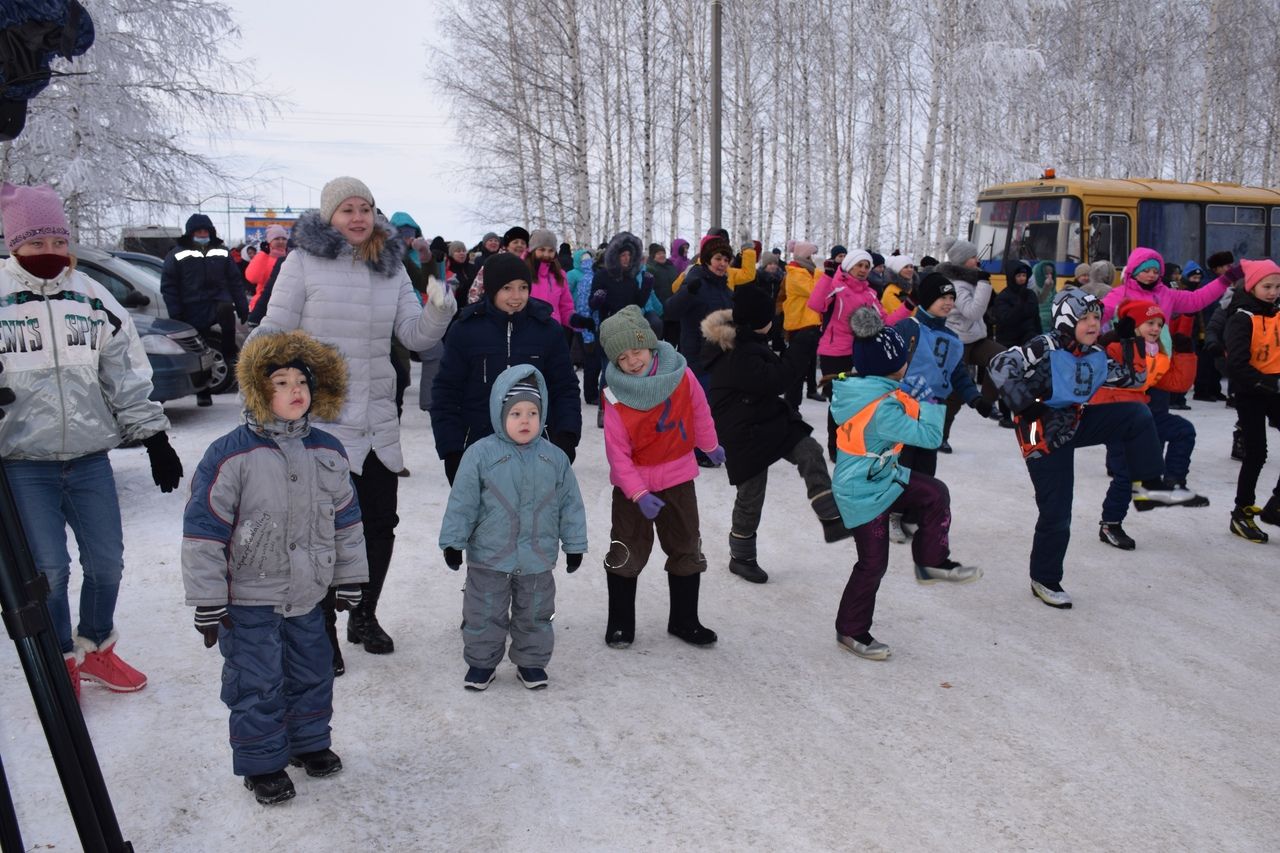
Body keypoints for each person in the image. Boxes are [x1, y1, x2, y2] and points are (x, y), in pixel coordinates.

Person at [252, 176, 455, 661]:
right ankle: (320, 624)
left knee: (380, 524)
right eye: (347, 210)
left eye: (365, 208)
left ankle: (364, 614)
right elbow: (274, 330)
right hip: (320, 421)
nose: (358, 217)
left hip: (377, 418)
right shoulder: (302, 262)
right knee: (321, 529)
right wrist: (258, 387)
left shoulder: (392, 268)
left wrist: (438, 309)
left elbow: (414, 336)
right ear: (329, 217)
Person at [0, 182, 183, 699]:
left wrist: (153, 438)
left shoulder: (91, 296)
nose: (49, 254)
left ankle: (98, 647)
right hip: (21, 462)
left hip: (88, 459)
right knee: (49, 571)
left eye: (58, 242)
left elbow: (124, 371)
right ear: (14, 243)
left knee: (107, 563)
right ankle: (61, 658)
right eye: (36, 244)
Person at [182, 330, 366, 805]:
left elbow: (346, 520)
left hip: (306, 593)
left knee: (312, 670)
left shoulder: (328, 450)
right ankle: (262, 762)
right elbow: (205, 530)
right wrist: (208, 598)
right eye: (280, 382)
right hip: (248, 598)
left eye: (301, 381)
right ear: (258, 392)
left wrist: (349, 577)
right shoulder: (231, 454)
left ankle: (308, 743)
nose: (294, 391)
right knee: (256, 680)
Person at [989, 291, 1206, 609]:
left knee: (1136, 414)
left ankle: (1148, 485)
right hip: (1041, 432)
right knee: (1057, 511)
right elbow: (999, 365)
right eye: (1085, 318)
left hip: (1074, 423)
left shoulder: (1094, 353)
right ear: (1067, 320)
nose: (1093, 324)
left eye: (1096, 318)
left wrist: (1129, 341)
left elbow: (1135, 380)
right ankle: (1045, 578)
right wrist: (1024, 403)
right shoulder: (1045, 345)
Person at [830, 308, 980, 661]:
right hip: (863, 491)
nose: (908, 364)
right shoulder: (881, 406)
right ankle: (851, 629)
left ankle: (931, 561)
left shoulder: (868, 389)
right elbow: (929, 436)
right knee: (872, 563)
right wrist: (927, 402)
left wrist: (911, 398)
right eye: (904, 358)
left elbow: (900, 409)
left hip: (880, 476)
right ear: (891, 365)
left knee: (934, 492)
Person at [439, 366, 587, 690]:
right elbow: (462, 502)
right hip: (490, 556)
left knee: (535, 614)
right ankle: (481, 663)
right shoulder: (480, 454)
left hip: (536, 557)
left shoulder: (555, 459)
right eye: (516, 412)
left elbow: (570, 505)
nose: (525, 420)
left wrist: (574, 544)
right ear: (499, 413)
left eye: (533, 412)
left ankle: (531, 662)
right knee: (483, 612)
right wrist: (454, 542)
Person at [702, 286, 852, 585]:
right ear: (762, 321)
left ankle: (830, 516)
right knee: (751, 495)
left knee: (808, 449)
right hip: (743, 433)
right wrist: (800, 348)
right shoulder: (737, 352)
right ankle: (741, 556)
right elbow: (776, 380)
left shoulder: (749, 339)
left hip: (766, 419)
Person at [597, 306, 723, 648]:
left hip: (678, 479)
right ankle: (621, 623)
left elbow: (698, 410)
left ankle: (685, 620)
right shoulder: (614, 395)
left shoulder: (680, 374)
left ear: (650, 346)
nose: (632, 361)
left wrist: (710, 444)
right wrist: (637, 493)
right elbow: (616, 453)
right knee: (626, 550)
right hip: (633, 489)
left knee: (686, 547)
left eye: (636, 351)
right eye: (622, 358)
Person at [431, 252, 582, 482]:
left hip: (538, 451)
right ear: (491, 289)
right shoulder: (465, 331)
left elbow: (565, 387)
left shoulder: (547, 330)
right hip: (478, 451)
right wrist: (452, 450)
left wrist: (565, 436)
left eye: (523, 287)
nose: (516, 296)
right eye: (507, 288)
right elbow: (446, 393)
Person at [1091, 300, 1206, 550]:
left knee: (1183, 431)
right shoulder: (1117, 346)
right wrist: (1117, 337)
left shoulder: (1157, 351)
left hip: (1140, 414)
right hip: (1115, 415)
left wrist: (1185, 353)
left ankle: (1171, 482)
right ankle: (1110, 524)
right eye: (1149, 323)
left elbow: (1175, 384)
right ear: (1134, 326)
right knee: (1125, 474)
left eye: (1159, 324)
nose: (1155, 328)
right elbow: (1100, 359)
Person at [889, 273, 994, 541]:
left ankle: (913, 514)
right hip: (905, 407)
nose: (948, 303)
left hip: (934, 408)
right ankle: (893, 514)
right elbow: (886, 364)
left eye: (951, 298)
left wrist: (975, 398)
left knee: (926, 465)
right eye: (942, 297)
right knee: (903, 461)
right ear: (926, 299)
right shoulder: (908, 327)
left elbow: (958, 373)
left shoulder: (952, 336)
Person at [807, 249, 911, 461]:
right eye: (859, 265)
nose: (863, 270)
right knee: (839, 401)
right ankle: (835, 447)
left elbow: (886, 322)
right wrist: (827, 275)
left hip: (863, 354)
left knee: (860, 401)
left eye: (866, 266)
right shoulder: (836, 286)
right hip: (835, 352)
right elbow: (815, 304)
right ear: (849, 266)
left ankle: (853, 442)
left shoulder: (869, 294)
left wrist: (909, 306)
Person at [161, 212, 249, 405]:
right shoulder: (177, 254)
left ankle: (230, 358)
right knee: (200, 351)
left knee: (226, 325)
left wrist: (243, 308)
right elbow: (169, 286)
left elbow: (235, 282)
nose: (202, 234)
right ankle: (203, 391)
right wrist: (176, 313)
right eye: (198, 231)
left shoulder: (222, 251)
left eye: (205, 230)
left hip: (219, 304)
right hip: (191, 308)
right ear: (191, 233)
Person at [1224, 259, 1280, 542]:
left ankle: (1277, 506)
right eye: (1266, 286)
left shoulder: (1278, 313)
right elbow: (1236, 363)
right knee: (1257, 454)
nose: (1273, 292)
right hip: (1252, 392)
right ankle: (1241, 513)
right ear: (1252, 286)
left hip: (1275, 388)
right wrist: (1265, 382)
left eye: (1277, 286)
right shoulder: (1241, 317)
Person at [937, 237, 1000, 450]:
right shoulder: (958, 285)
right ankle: (940, 436)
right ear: (964, 261)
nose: (977, 259)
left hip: (976, 338)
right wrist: (983, 284)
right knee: (955, 393)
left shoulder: (970, 280)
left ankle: (988, 402)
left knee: (1003, 357)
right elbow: (973, 312)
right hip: (958, 342)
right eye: (973, 257)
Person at [782, 240, 823, 406]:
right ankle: (792, 404)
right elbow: (815, 290)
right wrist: (821, 271)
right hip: (800, 325)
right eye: (811, 255)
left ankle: (803, 396)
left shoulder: (806, 271)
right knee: (797, 369)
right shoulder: (796, 272)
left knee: (808, 364)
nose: (814, 259)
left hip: (810, 324)